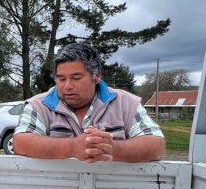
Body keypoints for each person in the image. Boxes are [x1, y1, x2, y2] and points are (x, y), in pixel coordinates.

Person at [13, 43, 165, 162]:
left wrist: (112, 148)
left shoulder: (126, 103)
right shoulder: (39, 105)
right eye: (61, 78)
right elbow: (21, 142)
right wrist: (72, 147)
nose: (67, 86)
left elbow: (156, 145)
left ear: (96, 75)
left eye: (76, 78)